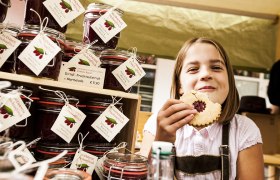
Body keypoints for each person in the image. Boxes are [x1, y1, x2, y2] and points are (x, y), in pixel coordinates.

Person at [140, 37, 264, 179]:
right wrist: (162, 141)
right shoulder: (157, 124)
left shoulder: (244, 130)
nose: (205, 74)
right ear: (180, 86)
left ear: (229, 80)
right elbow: (146, 176)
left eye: (216, 67)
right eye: (193, 69)